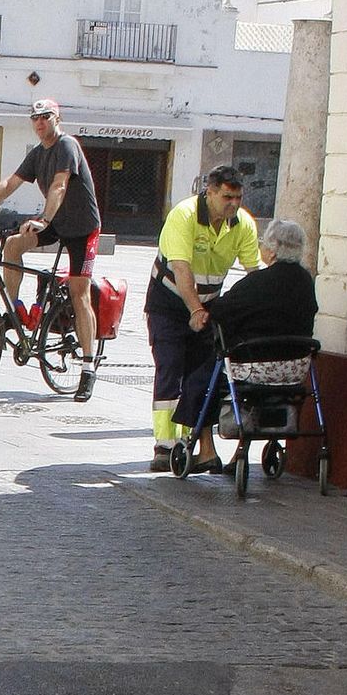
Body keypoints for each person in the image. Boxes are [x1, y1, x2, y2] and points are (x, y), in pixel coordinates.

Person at [0, 99, 103, 400]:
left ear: (56, 118)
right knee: (12, 246)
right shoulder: (38, 154)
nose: (39, 123)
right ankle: (14, 312)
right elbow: (10, 183)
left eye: (45, 117)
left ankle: (88, 367)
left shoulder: (67, 146)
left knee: (79, 292)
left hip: (82, 228)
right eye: (35, 118)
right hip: (55, 222)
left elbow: (60, 186)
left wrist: (44, 219)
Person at [144, 166, 260, 471]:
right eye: (226, 197)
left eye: (237, 197)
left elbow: (254, 272)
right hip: (168, 301)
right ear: (209, 192)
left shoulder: (243, 225)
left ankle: (193, 443)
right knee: (170, 367)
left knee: (202, 375)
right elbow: (182, 271)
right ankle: (164, 446)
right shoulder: (183, 216)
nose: (233, 203)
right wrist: (195, 310)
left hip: (209, 304)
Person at [175, 219, 318, 459]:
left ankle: (207, 452)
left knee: (201, 380)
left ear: (271, 250)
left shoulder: (256, 283)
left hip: (255, 368)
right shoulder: (306, 282)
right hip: (295, 370)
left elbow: (219, 313)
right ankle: (241, 450)